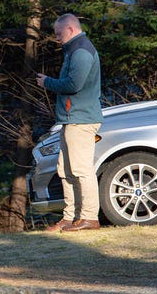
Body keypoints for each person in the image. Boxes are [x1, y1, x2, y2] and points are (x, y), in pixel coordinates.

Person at [35, 14, 103, 232]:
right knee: (65, 170)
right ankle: (70, 217)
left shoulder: (81, 51)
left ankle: (89, 218)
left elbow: (73, 84)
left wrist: (47, 82)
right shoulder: (74, 49)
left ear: (71, 29)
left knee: (81, 170)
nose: (56, 38)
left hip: (80, 120)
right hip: (71, 119)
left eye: (58, 34)